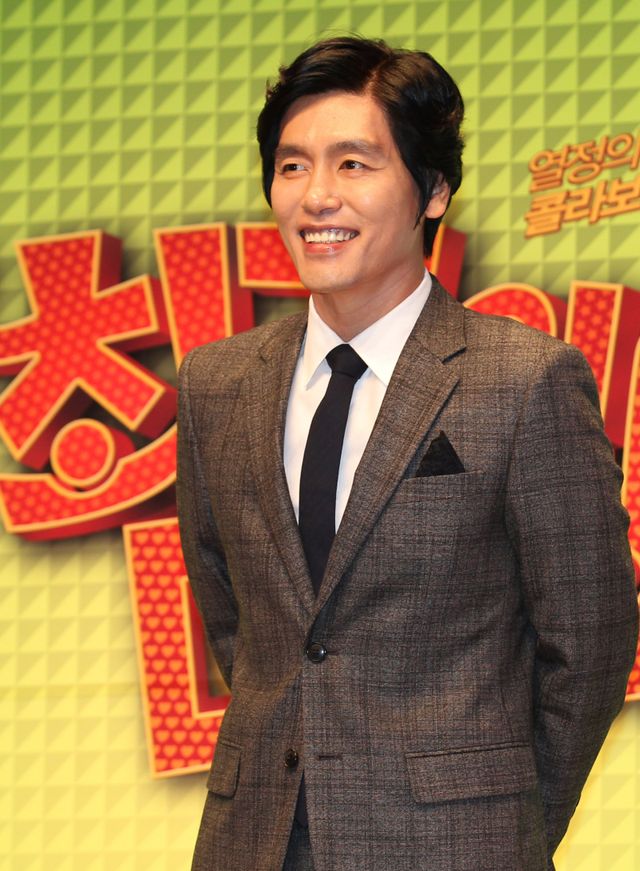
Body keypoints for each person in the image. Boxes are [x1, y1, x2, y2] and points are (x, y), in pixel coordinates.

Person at [177, 36, 638, 871]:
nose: (317, 195)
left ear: (433, 190)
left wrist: (505, 821)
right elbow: (237, 618)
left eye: (354, 164)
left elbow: (592, 637)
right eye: (292, 166)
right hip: (254, 842)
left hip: (455, 845)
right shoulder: (216, 383)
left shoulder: (524, 379)